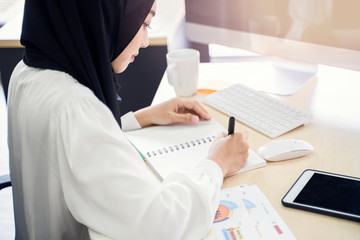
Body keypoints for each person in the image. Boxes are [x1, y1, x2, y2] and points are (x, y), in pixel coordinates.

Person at [7, 0, 250, 239]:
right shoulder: (75, 109)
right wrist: (217, 164)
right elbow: (163, 225)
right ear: (106, 17)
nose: (145, 42)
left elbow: (61, 149)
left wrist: (141, 118)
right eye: (144, 24)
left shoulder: (27, 72)